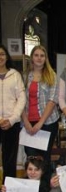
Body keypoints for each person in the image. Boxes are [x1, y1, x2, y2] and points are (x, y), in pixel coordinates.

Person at [21, 45, 60, 184]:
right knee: (31, 160)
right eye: (36, 55)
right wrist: (25, 122)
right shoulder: (25, 76)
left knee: (44, 159)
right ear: (32, 57)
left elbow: (52, 100)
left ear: (45, 58)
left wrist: (40, 123)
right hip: (27, 124)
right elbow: (19, 99)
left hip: (47, 123)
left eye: (42, 55)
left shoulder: (51, 75)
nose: (39, 58)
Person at [0, 44, 26, 183]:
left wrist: (12, 119)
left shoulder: (15, 75)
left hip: (12, 124)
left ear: (7, 56)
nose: (0, 57)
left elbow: (21, 98)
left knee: (9, 161)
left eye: (3, 54)